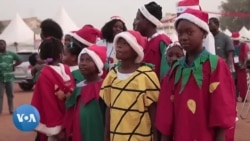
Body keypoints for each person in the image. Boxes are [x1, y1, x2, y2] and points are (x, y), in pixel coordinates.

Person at [155, 9, 236, 141]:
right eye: (180, 33)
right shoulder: (175, 70)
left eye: (189, 32)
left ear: (203, 33)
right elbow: (166, 113)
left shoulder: (216, 66)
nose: (183, 37)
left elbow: (222, 111)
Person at [100, 30, 160, 141]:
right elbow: (109, 108)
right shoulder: (112, 75)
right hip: (116, 136)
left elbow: (153, 110)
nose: (119, 46)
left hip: (140, 137)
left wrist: (156, 138)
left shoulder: (146, 75)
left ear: (136, 50)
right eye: (118, 43)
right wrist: (107, 136)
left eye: (125, 43)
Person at [31, 37, 75, 141]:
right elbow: (49, 104)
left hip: (66, 122)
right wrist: (56, 130)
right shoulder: (47, 74)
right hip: (57, 127)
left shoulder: (65, 69)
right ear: (61, 54)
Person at [64, 45, 106, 141]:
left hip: (97, 131)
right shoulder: (79, 86)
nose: (83, 63)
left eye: (88, 60)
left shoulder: (104, 87)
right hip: (80, 131)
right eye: (81, 60)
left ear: (97, 64)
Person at [134, 1, 172, 80]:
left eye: (138, 18)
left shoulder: (163, 41)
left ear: (147, 20)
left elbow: (166, 74)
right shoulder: (144, 42)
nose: (135, 22)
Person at [0, 39, 22, 114]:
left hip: (10, 78)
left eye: (2, 44)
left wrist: (14, 65)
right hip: (0, 79)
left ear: (5, 45)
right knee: (0, 95)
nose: (1, 46)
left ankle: (11, 110)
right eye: (0, 44)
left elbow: (20, 60)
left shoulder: (11, 54)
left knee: (11, 95)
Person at [231, 32, 249, 102]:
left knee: (242, 82)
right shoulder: (231, 44)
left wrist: (244, 64)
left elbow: (246, 56)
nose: (235, 40)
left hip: (241, 65)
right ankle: (234, 97)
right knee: (233, 81)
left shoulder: (243, 45)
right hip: (233, 65)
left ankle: (243, 97)